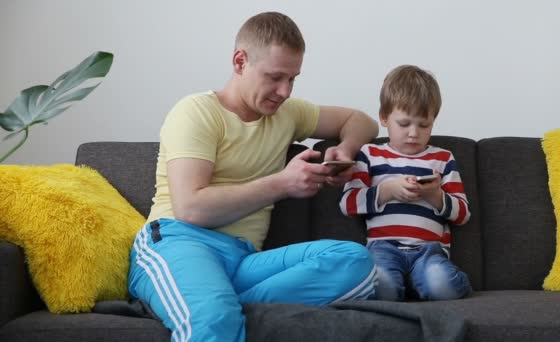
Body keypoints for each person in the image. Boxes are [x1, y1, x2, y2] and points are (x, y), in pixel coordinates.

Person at [127, 11, 379, 342]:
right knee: (213, 319)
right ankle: (212, 305)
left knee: (357, 263)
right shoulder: (196, 112)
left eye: (293, 78)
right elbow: (192, 209)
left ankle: (220, 302)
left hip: (243, 259)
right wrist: (283, 184)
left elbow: (363, 121)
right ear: (240, 62)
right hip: (178, 242)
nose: (285, 91)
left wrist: (345, 149)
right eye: (275, 77)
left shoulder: (286, 114)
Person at [339, 65, 472, 302]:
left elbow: (462, 214)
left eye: (424, 125)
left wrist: (434, 196)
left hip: (429, 251)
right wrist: (388, 190)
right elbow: (348, 204)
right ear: (384, 117)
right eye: (404, 124)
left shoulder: (443, 159)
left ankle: (423, 284)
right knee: (380, 285)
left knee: (442, 285)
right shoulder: (369, 154)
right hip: (383, 248)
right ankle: (400, 288)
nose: (413, 133)